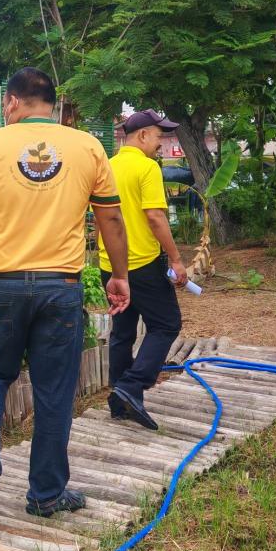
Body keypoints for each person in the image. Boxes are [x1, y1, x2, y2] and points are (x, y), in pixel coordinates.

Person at [0, 67, 131, 518]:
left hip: (1, 286)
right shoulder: (88, 147)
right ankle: (46, 494)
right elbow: (111, 220)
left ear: (11, 103)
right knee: (55, 390)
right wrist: (117, 275)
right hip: (60, 287)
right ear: (54, 104)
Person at [99, 109, 187, 430]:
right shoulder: (147, 167)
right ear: (142, 135)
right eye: (159, 136)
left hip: (109, 266)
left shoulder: (106, 166)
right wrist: (176, 259)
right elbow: (155, 217)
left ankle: (119, 401)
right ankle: (132, 386)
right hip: (142, 265)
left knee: (122, 332)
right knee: (166, 324)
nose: (161, 144)